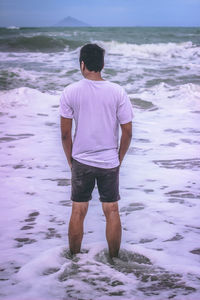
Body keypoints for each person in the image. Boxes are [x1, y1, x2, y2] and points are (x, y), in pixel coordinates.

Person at [60, 43, 133, 258]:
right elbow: (127, 131)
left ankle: (74, 260)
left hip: (81, 160)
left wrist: (70, 160)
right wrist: (118, 158)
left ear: (82, 64)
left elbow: (65, 134)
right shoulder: (117, 92)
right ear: (102, 65)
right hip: (109, 160)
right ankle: (114, 260)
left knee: (78, 210)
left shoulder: (70, 91)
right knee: (111, 210)